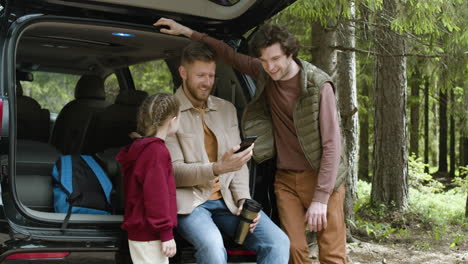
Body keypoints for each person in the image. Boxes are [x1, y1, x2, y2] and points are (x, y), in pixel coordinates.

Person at [155, 18, 348, 264]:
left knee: (316, 250)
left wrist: (320, 198)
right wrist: (187, 31)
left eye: (276, 59)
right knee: (292, 250)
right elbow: (228, 53)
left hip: (321, 176)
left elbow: (332, 145)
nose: (270, 67)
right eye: (264, 60)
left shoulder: (318, 86)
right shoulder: (263, 72)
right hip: (274, 181)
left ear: (290, 54)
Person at [161, 41, 290, 264]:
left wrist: (243, 200)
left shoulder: (226, 109)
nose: (207, 83)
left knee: (278, 242)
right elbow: (173, 173)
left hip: (227, 202)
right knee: (213, 247)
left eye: (211, 76)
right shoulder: (168, 112)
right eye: (201, 76)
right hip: (190, 204)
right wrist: (217, 168)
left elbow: (238, 163)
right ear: (183, 72)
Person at [116, 93, 180, 264]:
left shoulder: (140, 148)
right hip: (151, 234)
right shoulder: (156, 152)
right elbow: (156, 197)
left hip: (142, 231)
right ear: (172, 120)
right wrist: (166, 233)